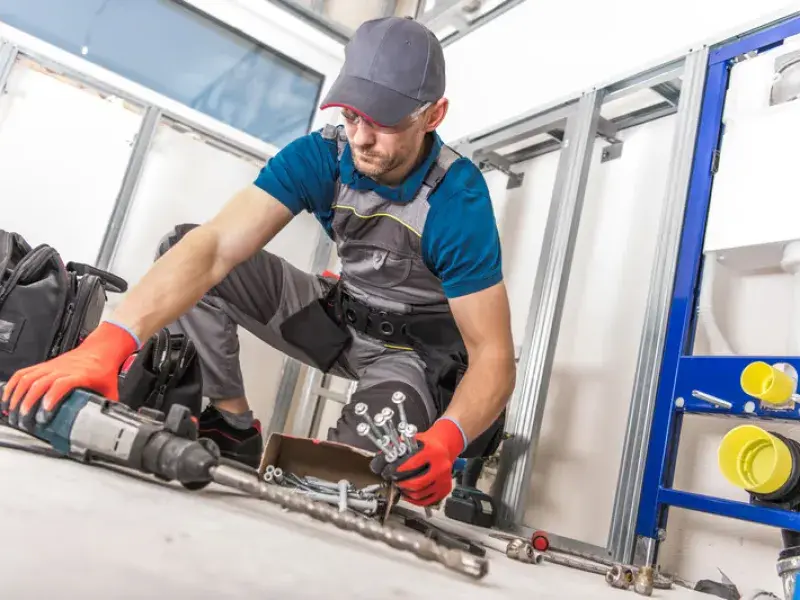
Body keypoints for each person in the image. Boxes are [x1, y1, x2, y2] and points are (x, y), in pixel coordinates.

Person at [1, 16, 516, 507]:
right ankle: (234, 424)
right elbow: (215, 248)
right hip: (336, 317)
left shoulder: (457, 202)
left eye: (384, 123)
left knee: (339, 484)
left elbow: (492, 356)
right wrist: (106, 346)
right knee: (184, 244)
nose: (361, 137)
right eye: (353, 115)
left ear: (433, 115)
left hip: (409, 356)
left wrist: (447, 439)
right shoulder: (319, 157)